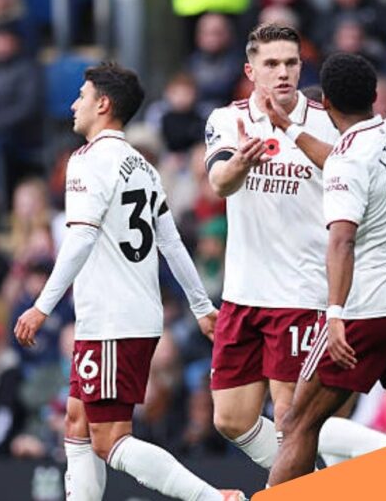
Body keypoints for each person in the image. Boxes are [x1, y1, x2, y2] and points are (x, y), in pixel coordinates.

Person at [13, 62, 244, 501]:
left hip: (111, 320)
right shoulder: (142, 165)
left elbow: (80, 237)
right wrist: (200, 307)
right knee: (77, 422)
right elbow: (171, 243)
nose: (73, 104)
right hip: (128, 315)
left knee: (109, 439)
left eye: (81, 95)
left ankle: (214, 499)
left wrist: (42, 306)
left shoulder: (86, 161)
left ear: (103, 104)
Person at [203, 24, 386, 473]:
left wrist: (290, 133)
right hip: (242, 293)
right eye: (271, 64)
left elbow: (355, 172)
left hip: (303, 293)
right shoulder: (226, 120)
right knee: (230, 419)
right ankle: (320, 481)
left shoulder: (325, 119)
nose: (283, 72)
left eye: (291, 62)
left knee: (292, 422)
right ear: (250, 70)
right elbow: (219, 183)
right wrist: (241, 162)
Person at [268, 53, 386, 486]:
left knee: (298, 424)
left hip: (366, 313)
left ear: (325, 102)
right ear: (374, 95)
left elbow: (342, 239)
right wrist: (290, 128)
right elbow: (345, 161)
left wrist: (334, 314)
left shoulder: (349, 161)